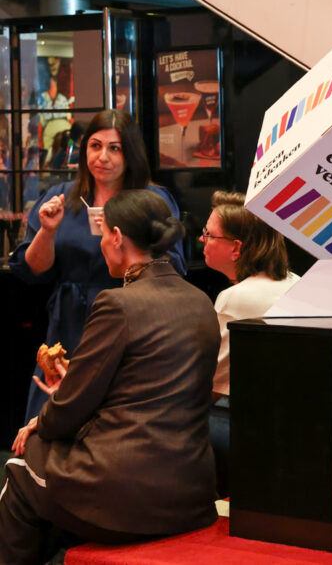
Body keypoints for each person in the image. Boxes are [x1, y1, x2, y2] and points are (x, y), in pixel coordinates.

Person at [0, 189, 220, 564]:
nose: (101, 244)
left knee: (21, 468)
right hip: (192, 491)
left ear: (116, 237)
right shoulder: (200, 300)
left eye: (102, 236)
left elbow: (67, 411)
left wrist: (41, 420)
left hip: (129, 493)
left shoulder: (118, 303)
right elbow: (148, 385)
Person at [8, 109, 186, 422]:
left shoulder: (152, 199)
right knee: (54, 413)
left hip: (131, 317)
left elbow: (174, 268)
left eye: (114, 148)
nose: (102, 157)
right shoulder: (61, 196)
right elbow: (32, 269)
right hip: (68, 322)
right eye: (95, 146)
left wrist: (129, 238)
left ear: (130, 153)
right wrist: (48, 230)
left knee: (113, 413)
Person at [201, 190, 299, 496]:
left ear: (236, 248)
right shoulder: (296, 281)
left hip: (245, 426)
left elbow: (212, 384)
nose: (201, 240)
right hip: (296, 423)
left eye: (208, 234)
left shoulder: (234, 299)